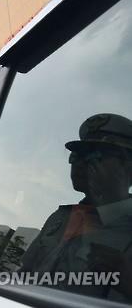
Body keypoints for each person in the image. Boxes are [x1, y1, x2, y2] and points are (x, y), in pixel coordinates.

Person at [21, 113, 132, 300]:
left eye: (95, 154)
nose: (79, 162)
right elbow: (24, 275)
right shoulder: (59, 218)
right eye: (78, 154)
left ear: (128, 166)